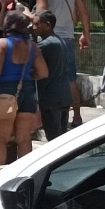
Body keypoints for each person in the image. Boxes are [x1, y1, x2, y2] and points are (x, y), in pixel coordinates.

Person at [0, 11, 48, 166]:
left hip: (5, 92)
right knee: (24, 139)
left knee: (0, 139)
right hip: (28, 91)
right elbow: (43, 72)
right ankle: (22, 176)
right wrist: (26, 77)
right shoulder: (33, 46)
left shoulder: (2, 43)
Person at [35, 0, 92, 128]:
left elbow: (42, 16)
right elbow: (84, 12)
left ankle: (45, 117)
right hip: (68, 39)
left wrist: (26, 14)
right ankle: (77, 116)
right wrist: (85, 35)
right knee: (70, 79)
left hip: (49, 41)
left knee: (46, 78)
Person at [32, 10, 72, 141]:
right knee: (61, 138)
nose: (34, 27)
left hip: (50, 98)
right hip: (63, 96)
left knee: (54, 140)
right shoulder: (60, 41)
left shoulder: (45, 45)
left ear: (48, 25)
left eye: (37, 24)